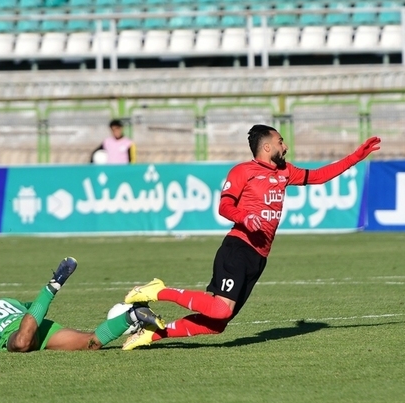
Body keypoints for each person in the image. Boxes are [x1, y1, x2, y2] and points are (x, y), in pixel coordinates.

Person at [122, 124, 381, 350]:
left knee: (216, 325)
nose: (286, 146)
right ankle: (159, 290)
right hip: (238, 247)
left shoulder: (285, 172)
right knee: (221, 308)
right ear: (267, 147)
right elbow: (224, 207)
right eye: (281, 142)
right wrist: (245, 217)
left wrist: (357, 156)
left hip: (259, 257)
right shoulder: (242, 171)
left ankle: (154, 334)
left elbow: (319, 176)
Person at [0, 257, 165, 352]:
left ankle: (51, 287)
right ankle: (133, 316)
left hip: (19, 333)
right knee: (90, 344)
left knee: (21, 343)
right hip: (39, 325)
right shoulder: (9, 302)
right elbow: (33, 307)